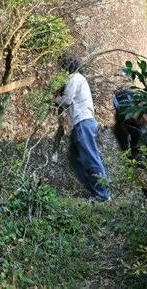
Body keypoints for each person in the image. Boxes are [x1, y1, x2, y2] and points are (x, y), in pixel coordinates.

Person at [55, 52, 111, 202]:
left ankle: (102, 194)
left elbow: (66, 100)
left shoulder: (75, 77)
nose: (59, 69)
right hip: (81, 123)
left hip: (82, 122)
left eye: (61, 66)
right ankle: (95, 191)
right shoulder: (76, 79)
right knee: (75, 160)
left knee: (90, 157)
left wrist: (54, 99)